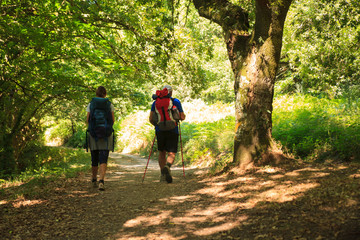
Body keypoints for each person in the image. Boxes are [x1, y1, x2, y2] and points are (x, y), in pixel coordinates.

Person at [149, 85, 186, 183]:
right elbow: (182, 117)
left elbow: (151, 119)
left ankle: (162, 174)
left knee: (162, 152)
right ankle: (167, 166)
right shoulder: (175, 101)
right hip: (173, 129)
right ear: (171, 92)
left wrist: (157, 125)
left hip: (160, 130)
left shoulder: (155, 102)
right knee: (172, 152)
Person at [86, 86, 115, 191]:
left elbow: (87, 119)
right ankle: (101, 180)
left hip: (93, 134)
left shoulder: (91, 104)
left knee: (94, 157)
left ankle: (93, 179)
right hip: (106, 134)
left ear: (96, 93)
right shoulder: (109, 104)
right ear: (105, 94)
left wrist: (92, 128)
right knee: (103, 157)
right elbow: (112, 120)